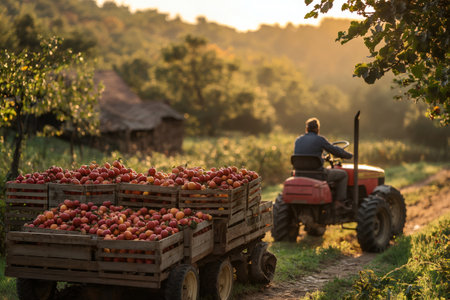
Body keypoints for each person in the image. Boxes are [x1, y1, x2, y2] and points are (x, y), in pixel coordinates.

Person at [294, 117, 353, 210]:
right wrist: (349, 155)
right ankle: (339, 201)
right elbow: (335, 151)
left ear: (306, 129)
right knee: (343, 175)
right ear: (317, 129)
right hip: (317, 175)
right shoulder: (320, 139)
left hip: (299, 173)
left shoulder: (298, 140)